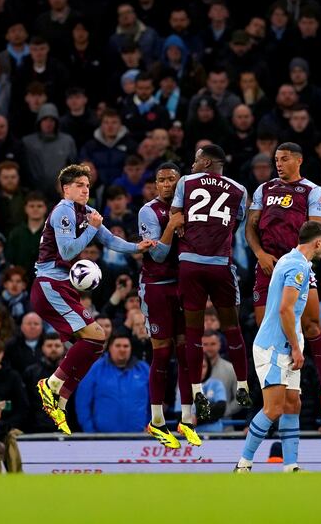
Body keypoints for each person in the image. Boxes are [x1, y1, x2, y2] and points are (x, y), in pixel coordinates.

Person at [33, 164, 153, 435]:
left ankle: (60, 400)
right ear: (66, 189)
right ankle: (50, 385)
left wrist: (137, 248)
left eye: (87, 185)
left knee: (96, 343)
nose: (85, 189)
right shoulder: (64, 210)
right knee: (96, 337)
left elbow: (109, 239)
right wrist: (91, 229)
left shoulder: (85, 213)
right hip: (49, 284)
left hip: (62, 286)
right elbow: (67, 250)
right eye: (79, 185)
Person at [246, 142, 321, 420]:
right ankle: (277, 390)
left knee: (310, 325)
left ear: (298, 161)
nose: (279, 164)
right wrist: (260, 253)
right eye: (276, 159)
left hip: (296, 264)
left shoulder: (313, 191)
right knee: (267, 329)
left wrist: (300, 259)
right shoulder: (264, 190)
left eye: (284, 159)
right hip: (267, 266)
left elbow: (316, 234)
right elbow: (250, 227)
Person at [234, 221, 321, 473]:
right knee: (273, 408)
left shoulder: (295, 262)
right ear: (318, 242)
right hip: (274, 346)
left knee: (292, 404)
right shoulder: (296, 266)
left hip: (287, 343)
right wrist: (297, 348)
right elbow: (285, 309)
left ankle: (291, 465)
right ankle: (243, 463)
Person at [170, 144, 250, 422]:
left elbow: (177, 219)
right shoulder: (239, 189)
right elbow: (235, 225)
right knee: (232, 326)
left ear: (206, 162)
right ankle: (242, 383)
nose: (191, 165)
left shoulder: (186, 182)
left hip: (190, 264)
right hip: (220, 265)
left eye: (195, 161)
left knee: (194, 331)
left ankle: (195, 389)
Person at [138, 162, 200, 448]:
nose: (166, 184)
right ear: (155, 185)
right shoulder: (149, 212)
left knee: (186, 353)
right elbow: (159, 255)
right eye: (161, 180)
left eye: (171, 179)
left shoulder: (193, 206)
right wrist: (173, 226)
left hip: (184, 286)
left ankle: (187, 418)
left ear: (180, 182)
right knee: (161, 354)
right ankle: (157, 419)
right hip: (157, 288)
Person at [75, 334, 150, 433]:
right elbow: (82, 404)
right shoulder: (94, 369)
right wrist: (91, 432)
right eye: (118, 346)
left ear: (131, 348)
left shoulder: (144, 369)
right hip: (103, 439)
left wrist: (149, 426)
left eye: (126, 346)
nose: (122, 349)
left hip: (138, 437)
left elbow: (154, 402)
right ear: (110, 347)